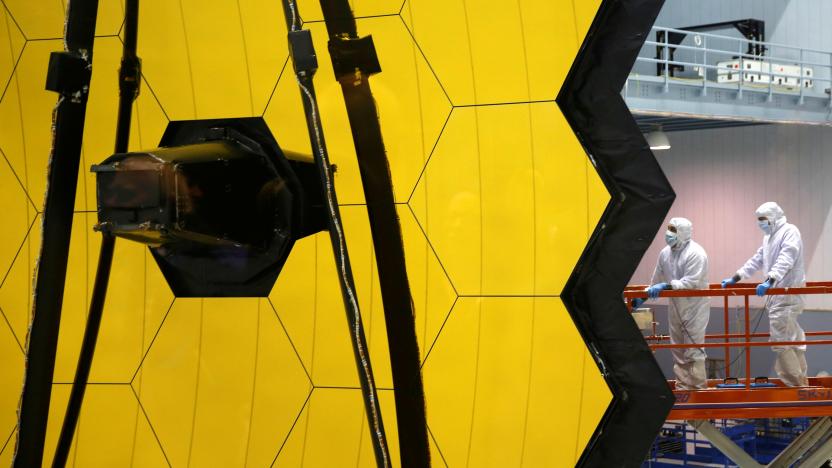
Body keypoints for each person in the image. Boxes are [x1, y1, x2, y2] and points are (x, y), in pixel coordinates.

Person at [722, 202, 808, 387]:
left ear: (773, 217)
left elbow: (787, 258)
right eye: (758, 220)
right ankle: (801, 382)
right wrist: (736, 277)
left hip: (787, 294)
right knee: (791, 339)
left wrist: (770, 280)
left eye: (763, 219)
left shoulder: (789, 231)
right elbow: (758, 259)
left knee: (780, 341)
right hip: (777, 296)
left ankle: (795, 386)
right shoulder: (769, 237)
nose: (760, 223)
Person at [634, 217, 710, 390]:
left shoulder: (696, 253)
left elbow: (690, 282)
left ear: (683, 234)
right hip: (675, 306)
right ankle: (683, 389)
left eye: (673, 232)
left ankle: (698, 392)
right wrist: (640, 298)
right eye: (668, 231)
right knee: (678, 350)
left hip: (694, 307)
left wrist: (666, 286)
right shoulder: (665, 253)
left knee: (693, 351)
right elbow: (656, 280)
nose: (668, 236)